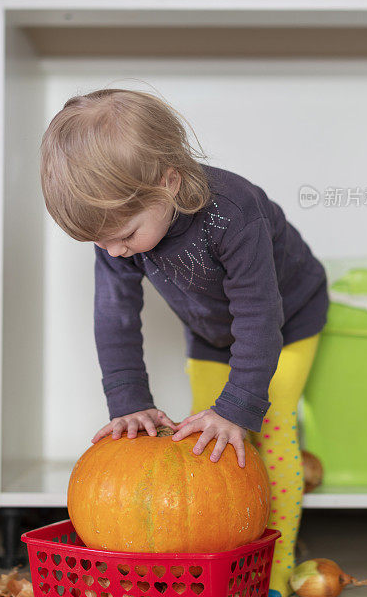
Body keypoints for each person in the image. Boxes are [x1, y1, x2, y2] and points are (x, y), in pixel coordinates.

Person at [40, 87, 329, 597]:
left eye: (124, 236)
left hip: (286, 325)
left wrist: (239, 407)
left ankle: (275, 570)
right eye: (99, 242)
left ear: (169, 183)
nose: (113, 251)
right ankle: (213, 562)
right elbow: (115, 316)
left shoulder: (233, 214)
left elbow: (261, 316)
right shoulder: (117, 231)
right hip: (212, 331)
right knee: (206, 454)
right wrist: (129, 402)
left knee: (269, 428)